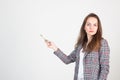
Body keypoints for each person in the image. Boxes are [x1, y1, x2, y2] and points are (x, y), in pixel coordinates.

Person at [44, 13, 110, 80]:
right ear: (84, 27)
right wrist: (54, 47)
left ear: (98, 28)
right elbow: (67, 60)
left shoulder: (102, 43)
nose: (91, 27)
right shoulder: (80, 45)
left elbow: (105, 68)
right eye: (88, 24)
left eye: (95, 25)